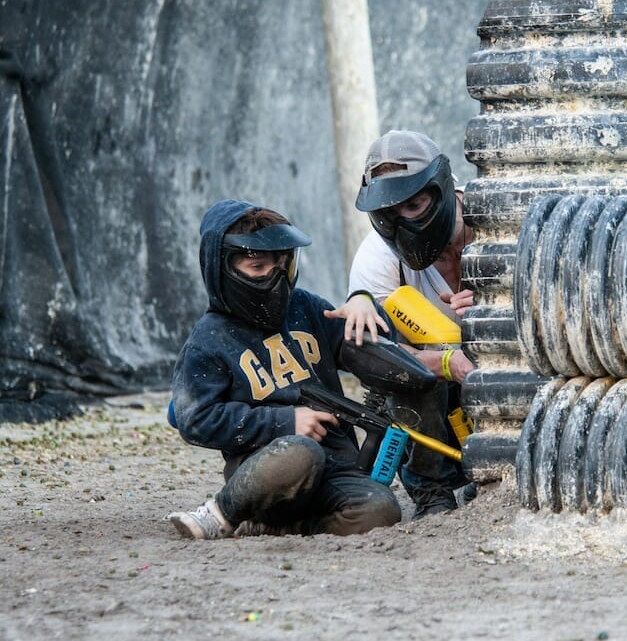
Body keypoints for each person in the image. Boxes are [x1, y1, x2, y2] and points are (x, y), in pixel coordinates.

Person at [166, 198, 402, 539]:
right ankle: (221, 514)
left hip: (335, 465)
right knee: (299, 451)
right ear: (222, 267)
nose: (274, 278)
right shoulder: (208, 340)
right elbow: (195, 420)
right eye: (258, 267)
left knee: (380, 510)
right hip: (267, 470)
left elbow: (368, 350)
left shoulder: (304, 308)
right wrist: (286, 422)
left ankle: (270, 528)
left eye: (281, 265)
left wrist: (365, 308)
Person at [347, 130, 476, 517]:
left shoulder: (497, 225)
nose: (401, 221)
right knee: (404, 363)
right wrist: (446, 363)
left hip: (504, 372)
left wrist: (496, 313)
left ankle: (495, 471)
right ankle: (430, 489)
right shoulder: (377, 258)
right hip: (433, 388)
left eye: (414, 204)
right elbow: (371, 355)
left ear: (440, 189)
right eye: (388, 213)